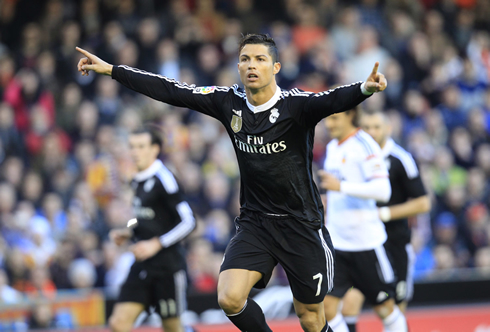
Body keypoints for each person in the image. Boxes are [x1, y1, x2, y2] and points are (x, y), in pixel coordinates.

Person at [76, 33, 387, 332]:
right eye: (245, 59)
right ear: (238, 66)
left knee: (311, 320)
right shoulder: (229, 103)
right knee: (229, 297)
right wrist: (112, 70)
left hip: (301, 225)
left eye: (260, 59)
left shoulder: (297, 106)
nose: (252, 65)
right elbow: (172, 90)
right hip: (256, 223)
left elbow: (332, 99)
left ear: (275, 67)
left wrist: (365, 88)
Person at [339, 110, 431, 332]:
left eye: (376, 127)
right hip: (364, 242)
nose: (371, 132)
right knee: (349, 303)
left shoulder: (401, 159)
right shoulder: (354, 155)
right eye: (367, 127)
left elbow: (423, 203)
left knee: (395, 307)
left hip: (394, 242)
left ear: (388, 130)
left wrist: (384, 214)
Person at [320, 108, 408, 332]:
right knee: (327, 309)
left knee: (385, 308)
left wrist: (342, 187)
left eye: (334, 118)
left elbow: (383, 191)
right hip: (338, 244)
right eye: (328, 118)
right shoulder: (332, 147)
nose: (329, 124)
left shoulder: (364, 145)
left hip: (366, 244)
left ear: (350, 115)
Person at [108, 127, 196, 332]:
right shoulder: (136, 178)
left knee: (172, 327)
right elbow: (142, 217)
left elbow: (189, 221)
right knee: (117, 324)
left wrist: (156, 243)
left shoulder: (164, 179)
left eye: (141, 146)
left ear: (155, 149)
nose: (134, 152)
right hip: (142, 265)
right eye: (132, 147)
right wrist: (127, 230)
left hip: (167, 267)